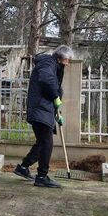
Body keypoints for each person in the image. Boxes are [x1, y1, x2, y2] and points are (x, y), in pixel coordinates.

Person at [14, 45, 74, 188]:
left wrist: (56, 113)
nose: (68, 63)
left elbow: (55, 86)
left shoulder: (55, 66)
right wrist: (55, 97)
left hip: (44, 110)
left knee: (42, 142)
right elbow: (46, 80)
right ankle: (42, 176)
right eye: (68, 59)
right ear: (61, 57)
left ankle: (23, 167)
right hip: (39, 109)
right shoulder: (48, 62)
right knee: (47, 142)